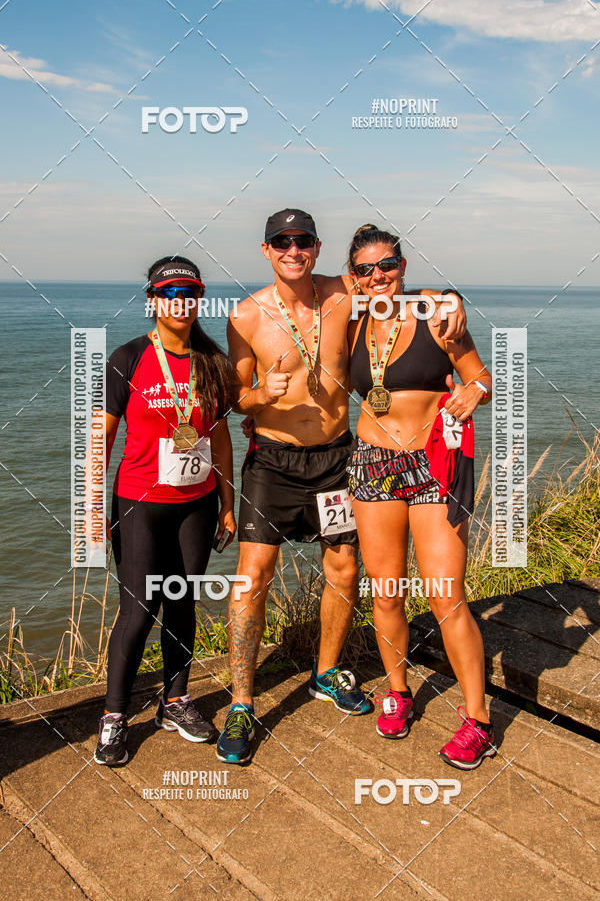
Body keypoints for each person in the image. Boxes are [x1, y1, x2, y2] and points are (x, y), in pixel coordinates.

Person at [217, 210, 467, 765]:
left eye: (303, 240)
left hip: (334, 460)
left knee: (345, 567)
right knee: (253, 575)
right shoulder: (245, 315)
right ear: (266, 249)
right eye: (282, 241)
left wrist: (450, 298)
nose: (293, 250)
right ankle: (241, 702)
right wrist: (261, 395)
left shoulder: (342, 293)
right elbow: (236, 398)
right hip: (273, 462)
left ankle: (326, 673)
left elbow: (396, 288)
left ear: (316, 247)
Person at [346, 224, 495, 770]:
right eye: (365, 269)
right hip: (373, 463)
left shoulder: (436, 315)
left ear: (403, 266)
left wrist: (472, 394)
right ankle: (398, 692)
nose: (378, 276)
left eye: (387, 265)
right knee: (386, 591)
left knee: (445, 595)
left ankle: (478, 719)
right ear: (354, 277)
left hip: (434, 464)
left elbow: (481, 378)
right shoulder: (352, 321)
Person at [93, 256, 235, 766]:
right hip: (140, 504)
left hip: (196, 504)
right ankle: (113, 716)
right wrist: (92, 505)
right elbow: (102, 436)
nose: (180, 302)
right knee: (138, 611)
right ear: (153, 300)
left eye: (189, 292)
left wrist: (228, 502)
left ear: (199, 299)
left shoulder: (212, 361)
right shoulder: (128, 357)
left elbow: (220, 436)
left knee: (182, 603)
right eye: (169, 293)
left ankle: (174, 702)